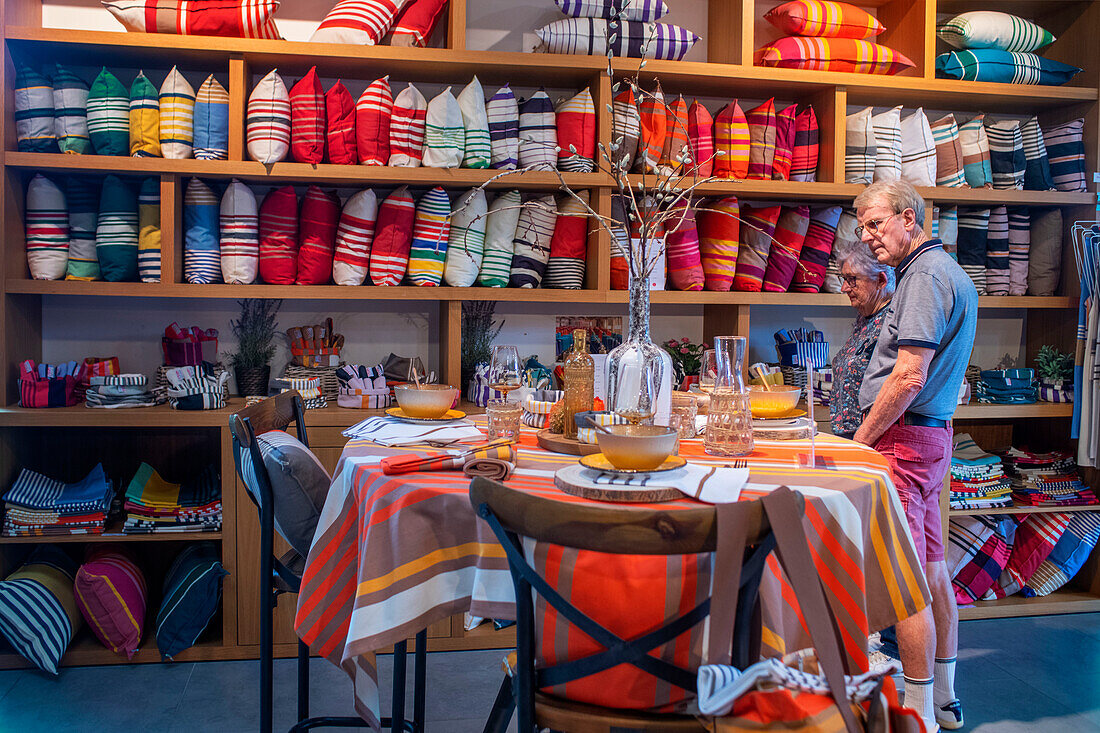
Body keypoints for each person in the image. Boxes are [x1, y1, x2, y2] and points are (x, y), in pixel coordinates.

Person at [852, 180, 977, 733]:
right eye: (861, 227)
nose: (867, 236)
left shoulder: (923, 276)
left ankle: (919, 711)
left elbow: (907, 374)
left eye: (876, 224)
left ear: (909, 218)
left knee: (903, 583)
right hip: (929, 438)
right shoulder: (947, 271)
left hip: (901, 440)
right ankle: (945, 700)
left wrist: (859, 443)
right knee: (929, 569)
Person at [829, 240, 895, 440]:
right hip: (854, 438)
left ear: (881, 280)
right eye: (844, 279)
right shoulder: (865, 318)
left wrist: (863, 439)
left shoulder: (891, 321)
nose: (844, 288)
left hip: (874, 440)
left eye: (852, 279)